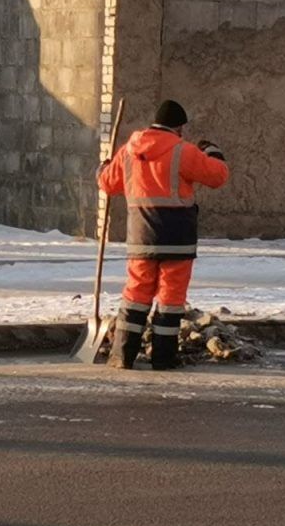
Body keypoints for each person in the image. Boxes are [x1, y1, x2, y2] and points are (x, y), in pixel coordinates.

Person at [97, 99, 229, 370]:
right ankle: (164, 358)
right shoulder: (184, 151)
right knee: (170, 299)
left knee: (136, 294)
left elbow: (108, 183)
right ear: (179, 128)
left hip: (141, 238)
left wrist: (103, 167)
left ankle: (122, 356)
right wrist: (213, 152)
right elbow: (217, 177)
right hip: (177, 238)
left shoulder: (129, 151)